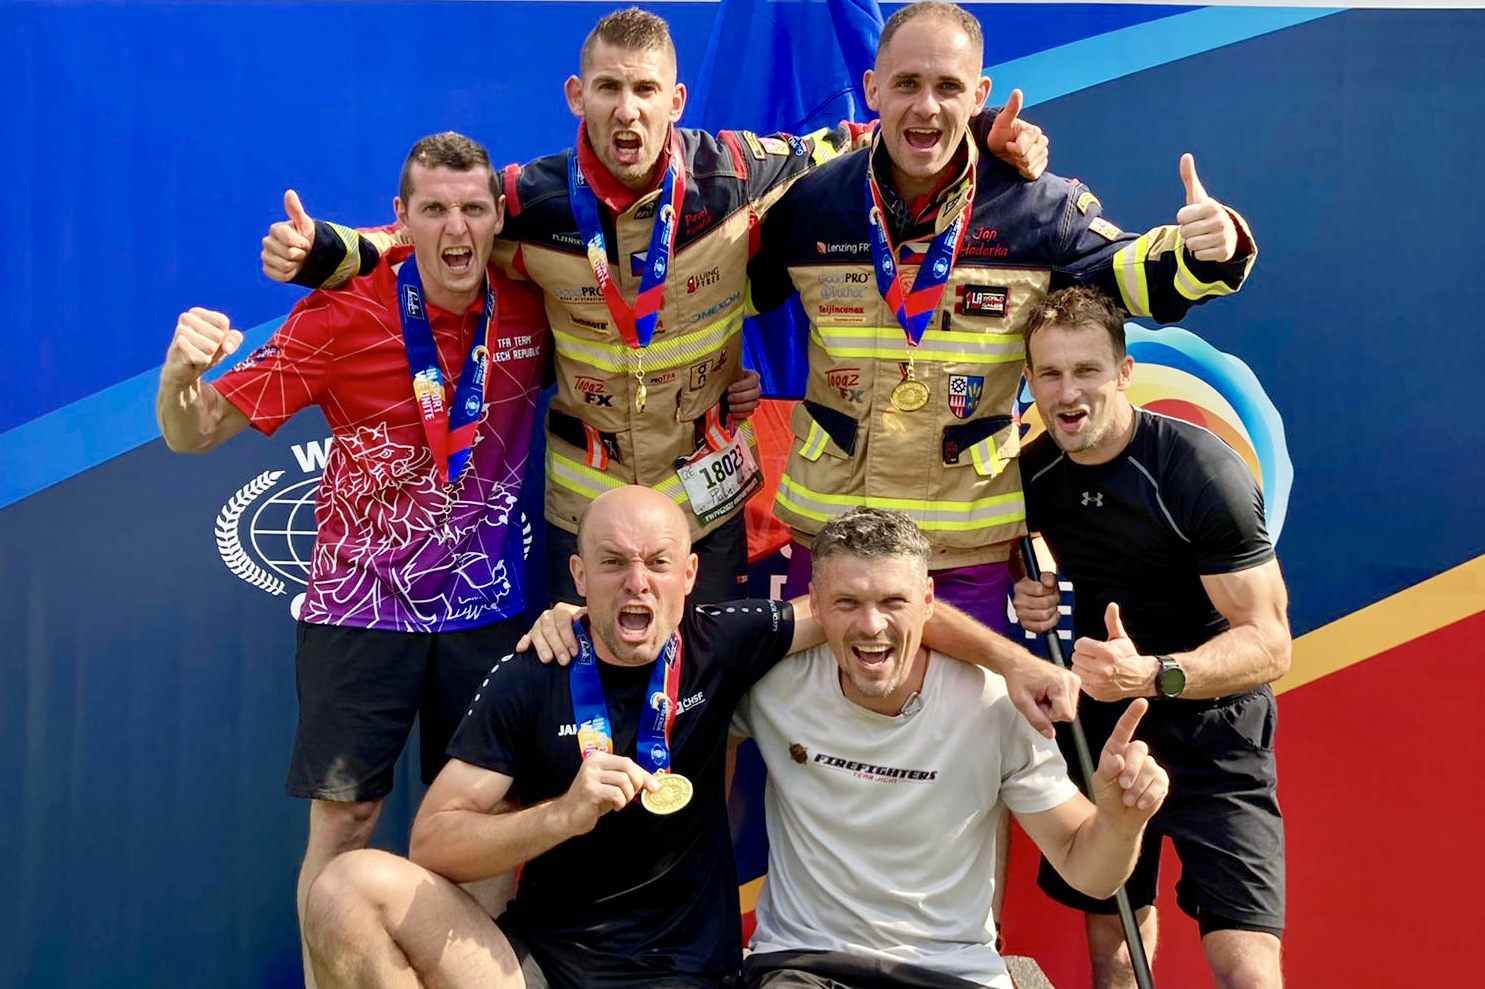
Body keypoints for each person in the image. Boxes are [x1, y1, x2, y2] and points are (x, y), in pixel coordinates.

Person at [257, 6, 1049, 606]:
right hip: (585, 501)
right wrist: (324, 249)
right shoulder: (530, 197)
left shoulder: (737, 172)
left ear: (675, 99)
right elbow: (433, 229)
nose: (626, 110)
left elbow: (864, 136)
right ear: (578, 96)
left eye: (644, 90)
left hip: (705, 500)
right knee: (578, 709)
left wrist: (981, 131)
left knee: (700, 711)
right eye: (608, 88)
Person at [300, 485, 1079, 989]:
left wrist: (1015, 662)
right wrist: (561, 815)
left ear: (688, 575)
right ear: (579, 577)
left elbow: (878, 603)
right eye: (612, 563)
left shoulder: (725, 640)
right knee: (347, 887)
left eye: (656, 563)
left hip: (683, 972)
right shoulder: (535, 669)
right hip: (540, 963)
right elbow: (434, 841)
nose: (635, 581)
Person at [155, 132, 549, 983]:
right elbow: (195, 433)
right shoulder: (343, 310)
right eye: (433, 209)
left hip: (484, 608)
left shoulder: (531, 303)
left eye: (472, 209)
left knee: (484, 820)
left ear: (497, 217)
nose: (455, 229)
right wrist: (179, 375)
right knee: (345, 822)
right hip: (361, 605)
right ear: (400, 218)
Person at [752, 0, 1258, 637]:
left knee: (970, 707)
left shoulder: (1033, 207)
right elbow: (717, 287)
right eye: (907, 84)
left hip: (964, 555)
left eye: (948, 87)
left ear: (979, 95)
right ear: (873, 89)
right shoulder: (813, 200)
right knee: (819, 706)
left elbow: (1133, 274)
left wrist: (1207, 249)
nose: (926, 106)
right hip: (833, 544)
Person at [735, 506, 1168, 989]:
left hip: (952, 972)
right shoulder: (771, 684)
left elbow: (1089, 873)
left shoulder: (995, 703)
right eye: (847, 602)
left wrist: (1121, 822)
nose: (872, 625)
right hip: (802, 966)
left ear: (928, 601)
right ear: (813, 604)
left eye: (893, 601)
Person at [1012, 285, 1291, 989]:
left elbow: (1269, 643)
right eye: (1050, 373)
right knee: (1113, 947)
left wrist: (1153, 673)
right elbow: (1020, 558)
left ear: (1124, 372)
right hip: (1107, 724)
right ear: (1029, 379)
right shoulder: (1032, 474)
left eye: (1086, 370)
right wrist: (1034, 591)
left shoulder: (1199, 471)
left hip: (1213, 727)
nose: (1068, 393)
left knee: (1245, 963)